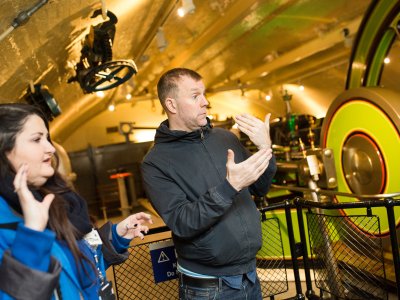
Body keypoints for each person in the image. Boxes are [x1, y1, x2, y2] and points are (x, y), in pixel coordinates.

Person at [141, 68, 276, 299]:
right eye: (195, 96)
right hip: (208, 287)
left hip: (250, 276)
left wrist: (266, 148)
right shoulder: (155, 163)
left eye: (204, 94)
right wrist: (229, 187)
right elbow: (182, 222)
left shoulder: (225, 138)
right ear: (172, 105)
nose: (206, 102)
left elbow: (260, 187)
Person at [0, 103, 153, 300]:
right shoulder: (7, 226)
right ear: (4, 151)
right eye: (37, 139)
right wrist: (32, 235)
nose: (50, 148)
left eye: (47, 138)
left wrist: (115, 236)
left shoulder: (57, 199)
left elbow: (81, 267)